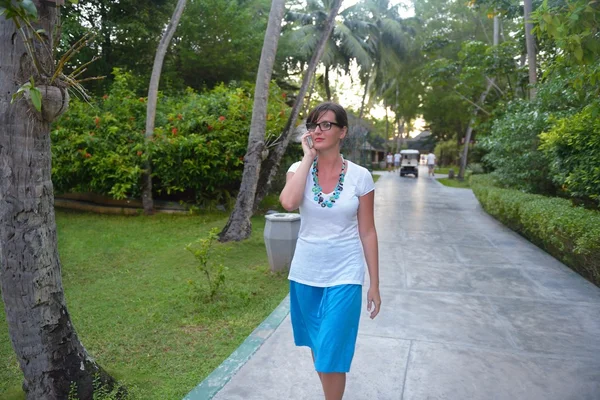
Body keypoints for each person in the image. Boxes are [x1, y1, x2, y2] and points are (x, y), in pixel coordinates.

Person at [279, 102, 381, 400]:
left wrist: (374, 283)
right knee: (319, 345)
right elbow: (288, 203)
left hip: (345, 274)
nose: (318, 130)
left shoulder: (360, 176)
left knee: (333, 349)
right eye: (313, 125)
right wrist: (308, 158)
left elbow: (368, 231)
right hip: (305, 273)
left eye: (326, 125)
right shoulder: (298, 170)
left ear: (342, 132)